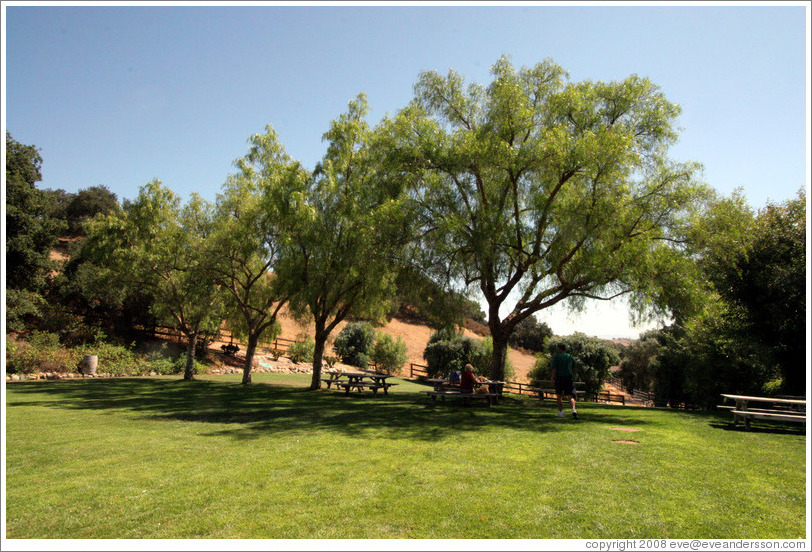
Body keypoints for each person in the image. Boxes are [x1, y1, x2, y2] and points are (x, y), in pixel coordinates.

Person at [551, 344, 578, 419]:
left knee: (559, 395)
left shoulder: (557, 357)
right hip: (569, 377)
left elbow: (554, 369)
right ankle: (573, 409)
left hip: (560, 377)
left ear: (560, 349)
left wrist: (552, 378)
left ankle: (560, 412)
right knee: (570, 395)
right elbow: (574, 368)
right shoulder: (570, 357)